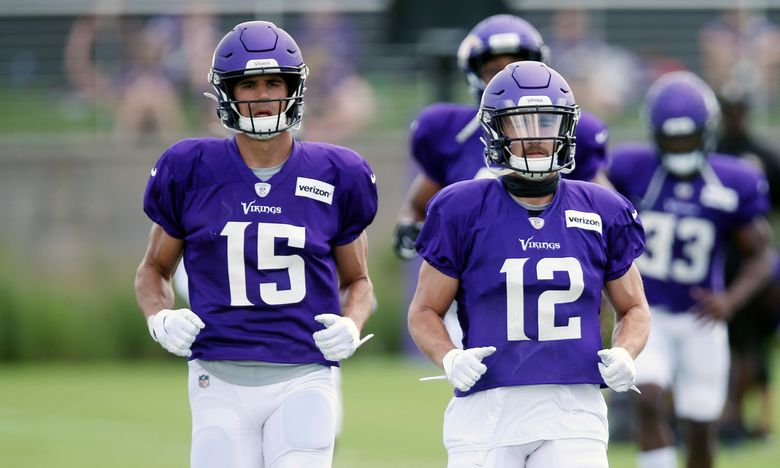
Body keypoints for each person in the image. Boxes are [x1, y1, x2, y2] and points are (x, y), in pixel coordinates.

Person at [134, 21, 378, 468]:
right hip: (217, 376)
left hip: (304, 374)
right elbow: (153, 269)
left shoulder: (336, 172)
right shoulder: (190, 169)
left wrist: (353, 323)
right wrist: (159, 318)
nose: (263, 94)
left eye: (274, 82)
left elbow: (359, 281)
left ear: (295, 87)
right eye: (249, 83)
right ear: (227, 92)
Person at [408, 61, 651, 467]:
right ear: (496, 131)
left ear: (566, 128)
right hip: (487, 409)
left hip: (573, 410)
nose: (535, 135)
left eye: (546, 121)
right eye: (520, 123)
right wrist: (449, 357)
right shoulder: (461, 207)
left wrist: (626, 352)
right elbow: (424, 310)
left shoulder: (602, 208)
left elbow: (635, 308)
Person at [607, 71, 775, 468]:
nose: (681, 146)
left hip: (701, 319)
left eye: (688, 137)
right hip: (647, 313)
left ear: (706, 132)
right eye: (672, 138)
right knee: (646, 398)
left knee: (700, 427)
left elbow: (762, 255)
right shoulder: (633, 169)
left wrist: (730, 300)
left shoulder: (732, 179)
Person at [715, 83, 780, 444]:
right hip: (716, 261)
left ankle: (749, 418)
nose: (734, 116)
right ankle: (725, 416)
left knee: (753, 345)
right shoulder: (711, 151)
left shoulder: (765, 156)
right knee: (722, 345)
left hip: (752, 266)